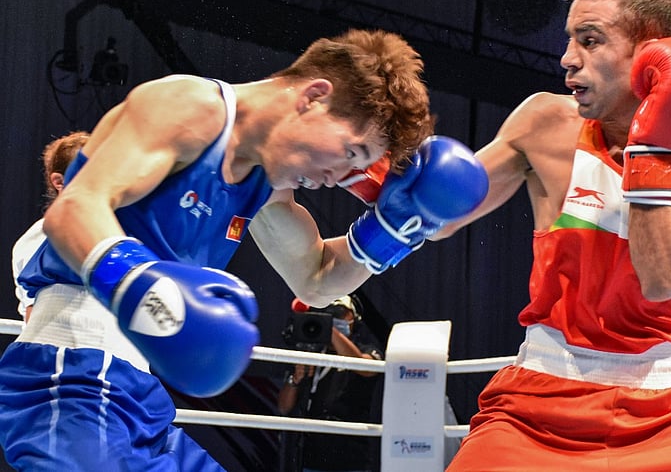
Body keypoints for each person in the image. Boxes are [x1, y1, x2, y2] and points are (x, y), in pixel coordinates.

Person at [0, 28, 488, 471]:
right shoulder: (190, 108)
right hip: (72, 376)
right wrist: (150, 293)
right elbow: (74, 208)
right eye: (351, 152)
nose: (340, 177)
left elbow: (317, 280)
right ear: (315, 97)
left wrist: (394, 227)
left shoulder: (265, 183)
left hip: (139, 395)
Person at [436, 0, 671, 471]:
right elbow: (438, 219)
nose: (568, 58)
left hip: (665, 410)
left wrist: (654, 147)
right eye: (570, 40)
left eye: (589, 41)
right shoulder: (546, 122)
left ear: (653, 54)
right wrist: (370, 178)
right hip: (534, 408)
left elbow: (662, 280)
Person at [277, 295, 383, 472]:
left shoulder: (367, 348)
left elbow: (366, 368)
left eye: (341, 314)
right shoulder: (311, 351)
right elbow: (283, 407)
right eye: (330, 314)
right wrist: (295, 380)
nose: (335, 318)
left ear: (354, 319)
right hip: (312, 456)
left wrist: (331, 331)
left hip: (349, 456)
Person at [11, 131, 90, 325]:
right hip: (65, 349)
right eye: (91, 173)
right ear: (59, 181)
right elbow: (35, 316)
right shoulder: (38, 240)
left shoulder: (120, 227)